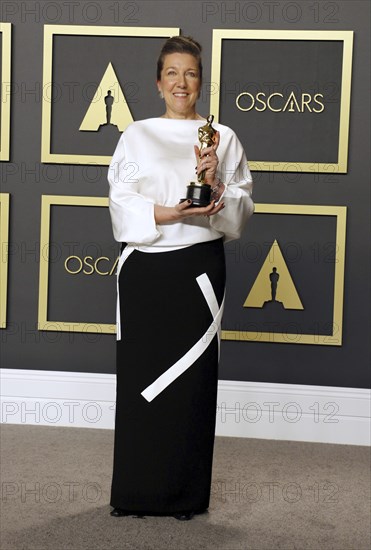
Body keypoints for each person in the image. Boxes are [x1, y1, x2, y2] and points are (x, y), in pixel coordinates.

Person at [107, 36, 254, 521]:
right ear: (158, 81)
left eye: (190, 73)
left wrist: (214, 185)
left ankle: (184, 496)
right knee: (139, 379)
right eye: (172, 73)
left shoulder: (222, 137)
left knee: (192, 385)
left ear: (200, 82)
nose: (181, 83)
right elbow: (120, 199)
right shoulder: (135, 134)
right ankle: (133, 493)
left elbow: (238, 209)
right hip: (146, 269)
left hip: (199, 271)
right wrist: (170, 212)